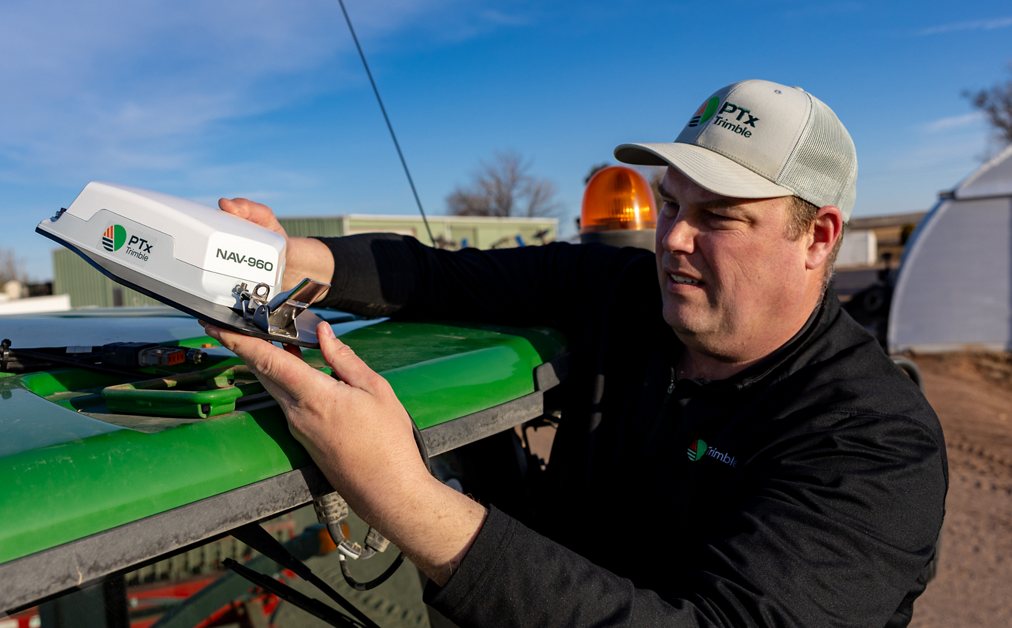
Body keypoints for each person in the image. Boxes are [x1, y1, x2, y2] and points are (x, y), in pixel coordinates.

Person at [202, 79, 947, 628]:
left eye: (718, 216)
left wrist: (399, 492)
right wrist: (283, 257)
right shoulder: (624, 295)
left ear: (817, 237)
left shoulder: (874, 441)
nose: (673, 239)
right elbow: (438, 276)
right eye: (671, 204)